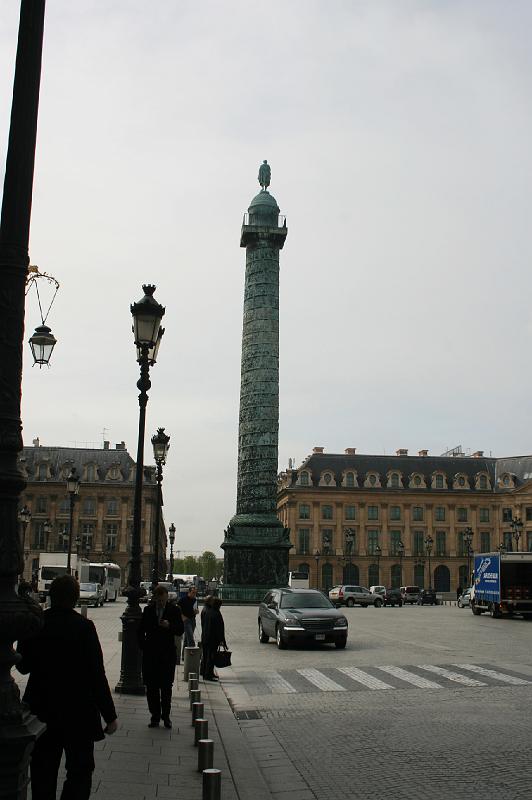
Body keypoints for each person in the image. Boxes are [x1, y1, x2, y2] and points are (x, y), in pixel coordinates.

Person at [16, 574, 117, 800]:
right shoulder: (84, 627)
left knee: (43, 771)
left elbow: (23, 667)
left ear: (51, 597)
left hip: (42, 710)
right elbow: (96, 675)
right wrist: (109, 716)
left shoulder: (37, 623)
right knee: (79, 772)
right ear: (75, 599)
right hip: (78, 712)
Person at [137, 583, 183, 728]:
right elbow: (140, 630)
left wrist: (169, 626)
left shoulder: (174, 610)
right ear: (155, 598)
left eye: (164, 600)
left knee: (166, 687)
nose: (161, 603)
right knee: (151, 687)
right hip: (151, 654)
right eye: (159, 600)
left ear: (166, 598)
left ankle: (166, 716)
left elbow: (180, 630)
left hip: (167, 654)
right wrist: (143, 646)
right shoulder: (148, 610)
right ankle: (155, 716)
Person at [202, 597, 227, 682]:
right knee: (211, 657)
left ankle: (207, 673)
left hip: (206, 638)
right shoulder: (216, 613)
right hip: (212, 639)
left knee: (207, 656)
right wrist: (222, 641)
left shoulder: (208, 611)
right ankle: (208, 675)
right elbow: (219, 629)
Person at [178, 585, 199, 653]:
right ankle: (191, 654)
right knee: (190, 639)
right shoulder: (183, 599)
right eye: (193, 592)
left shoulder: (195, 600)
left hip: (193, 619)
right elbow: (177, 608)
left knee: (187, 639)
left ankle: (185, 655)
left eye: (195, 593)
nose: (194, 594)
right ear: (189, 592)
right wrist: (182, 616)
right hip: (186, 620)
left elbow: (196, 609)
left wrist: (196, 611)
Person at [200, 595, 214, 677]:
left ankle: (203, 671)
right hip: (208, 637)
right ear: (209, 602)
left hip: (205, 636)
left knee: (205, 655)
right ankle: (207, 673)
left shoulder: (205, 609)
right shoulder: (208, 611)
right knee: (208, 656)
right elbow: (208, 626)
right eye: (212, 600)